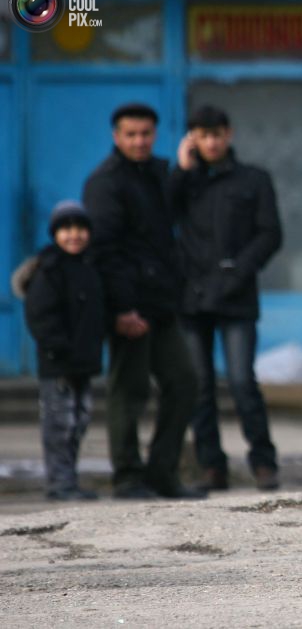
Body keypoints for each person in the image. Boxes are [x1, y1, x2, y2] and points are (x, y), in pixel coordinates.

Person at [82, 103, 204, 500]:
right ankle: (128, 477)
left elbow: (169, 218)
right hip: (129, 306)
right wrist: (120, 310)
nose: (139, 141)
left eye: (146, 134)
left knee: (184, 382)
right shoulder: (106, 183)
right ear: (116, 136)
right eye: (131, 135)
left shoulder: (155, 174)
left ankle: (162, 473)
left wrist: (184, 172)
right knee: (129, 391)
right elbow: (103, 251)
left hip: (161, 303)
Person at [170, 105, 283, 492]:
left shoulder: (253, 180)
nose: (212, 142)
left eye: (217, 134)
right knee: (198, 385)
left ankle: (264, 463)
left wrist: (238, 270)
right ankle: (211, 467)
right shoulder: (183, 182)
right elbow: (160, 217)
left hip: (236, 298)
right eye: (203, 135)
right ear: (192, 139)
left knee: (241, 381)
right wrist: (182, 172)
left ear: (228, 134)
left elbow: (270, 234)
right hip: (192, 298)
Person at [15, 201, 103, 501]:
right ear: (55, 234)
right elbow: (40, 317)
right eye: (66, 229)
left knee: (79, 422)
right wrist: (58, 350)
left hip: (83, 364)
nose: (74, 235)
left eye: (80, 228)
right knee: (59, 425)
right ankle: (59, 483)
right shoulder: (49, 270)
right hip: (58, 366)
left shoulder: (90, 267)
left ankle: (69, 479)